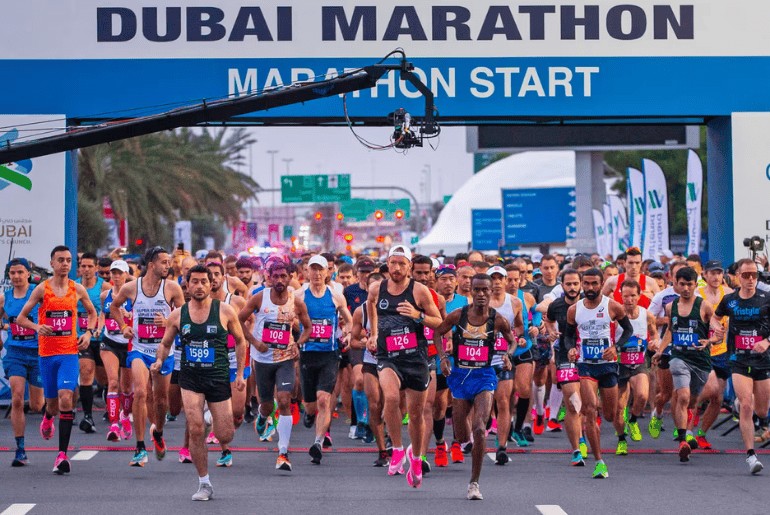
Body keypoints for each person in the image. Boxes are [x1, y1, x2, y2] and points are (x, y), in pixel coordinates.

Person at [152, 264, 247, 501]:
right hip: (191, 378)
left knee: (225, 435)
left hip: (218, 377)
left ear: (211, 283)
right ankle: (204, 483)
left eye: (204, 281)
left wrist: (239, 374)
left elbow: (240, 341)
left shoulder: (225, 311)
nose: (200, 286)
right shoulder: (178, 315)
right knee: (194, 429)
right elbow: (165, 344)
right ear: (187, 285)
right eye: (194, 281)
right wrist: (158, 360)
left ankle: (209, 419)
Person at [433, 273, 518, 500]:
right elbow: (437, 333)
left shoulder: (498, 319)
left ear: (492, 292)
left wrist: (508, 355)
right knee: (462, 437)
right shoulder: (458, 315)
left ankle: (474, 483)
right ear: (471, 291)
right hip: (460, 376)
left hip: (484, 376)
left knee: (479, 428)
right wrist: (442, 358)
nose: (481, 294)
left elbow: (512, 339)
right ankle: (463, 435)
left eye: (485, 290)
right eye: (477, 290)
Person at [16, 245, 98, 474]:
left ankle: (62, 455)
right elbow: (21, 318)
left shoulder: (77, 289)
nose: (65, 263)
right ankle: (48, 418)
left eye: (68, 260)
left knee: (66, 398)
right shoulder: (42, 290)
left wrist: (88, 333)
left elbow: (92, 314)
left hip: (69, 353)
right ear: (51, 264)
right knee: (50, 405)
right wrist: (37, 326)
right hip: (47, 355)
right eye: (60, 260)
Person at [367, 245, 442, 488]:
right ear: (387, 264)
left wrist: (418, 316)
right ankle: (398, 449)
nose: (397, 268)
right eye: (393, 263)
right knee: (389, 398)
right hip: (388, 356)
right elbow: (371, 304)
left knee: (417, 413)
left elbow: (439, 323)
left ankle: (417, 457)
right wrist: (373, 333)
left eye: (402, 263)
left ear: (409, 266)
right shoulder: (377, 288)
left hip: (416, 358)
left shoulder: (419, 291)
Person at [110, 246, 185, 466]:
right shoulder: (131, 288)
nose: (168, 266)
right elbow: (114, 307)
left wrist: (169, 321)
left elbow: (185, 316)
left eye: (168, 262)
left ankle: (158, 432)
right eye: (164, 262)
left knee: (161, 401)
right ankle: (139, 447)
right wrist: (124, 326)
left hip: (163, 350)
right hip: (139, 349)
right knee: (140, 391)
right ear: (151, 265)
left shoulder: (172, 288)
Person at [240, 260, 311, 471]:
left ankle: (283, 452)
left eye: (283, 276)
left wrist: (298, 344)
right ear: (268, 277)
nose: (279, 280)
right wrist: (254, 342)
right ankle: (262, 418)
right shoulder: (259, 298)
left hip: (285, 357)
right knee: (267, 406)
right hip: (262, 359)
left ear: (291, 277)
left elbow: (308, 328)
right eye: (275, 276)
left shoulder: (296, 302)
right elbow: (238, 320)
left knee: (284, 400)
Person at [563, 268, 634, 478]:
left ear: (601, 284)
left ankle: (611, 428)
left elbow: (628, 330)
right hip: (586, 365)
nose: (590, 288)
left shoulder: (612, 306)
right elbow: (568, 336)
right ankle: (599, 461)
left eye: (594, 284)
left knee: (611, 415)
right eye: (586, 284)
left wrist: (617, 347)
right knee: (591, 410)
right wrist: (571, 349)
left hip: (608, 366)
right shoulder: (574, 310)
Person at [711, 258, 770, 474]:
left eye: (755, 274)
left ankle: (740, 402)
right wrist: (718, 329)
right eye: (746, 275)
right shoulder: (730, 300)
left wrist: (767, 341)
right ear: (738, 276)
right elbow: (715, 318)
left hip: (762, 359)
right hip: (738, 358)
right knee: (747, 405)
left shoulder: (766, 298)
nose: (751, 279)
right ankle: (751, 456)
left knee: (762, 410)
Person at [654, 266, 715, 462]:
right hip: (679, 357)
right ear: (676, 285)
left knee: (692, 401)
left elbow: (718, 331)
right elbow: (670, 331)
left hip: (701, 360)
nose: (686, 288)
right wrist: (661, 350)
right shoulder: (671, 307)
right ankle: (682, 440)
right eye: (682, 284)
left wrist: (710, 341)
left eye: (690, 284)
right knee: (682, 397)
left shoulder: (704, 306)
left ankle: (687, 435)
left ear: (695, 284)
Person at [297, 255, 353, 464]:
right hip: (307, 353)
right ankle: (310, 416)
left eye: (321, 270)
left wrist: (346, 334)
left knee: (324, 399)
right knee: (311, 405)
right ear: (307, 272)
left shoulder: (336, 296)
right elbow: (291, 318)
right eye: (313, 269)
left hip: (329, 354)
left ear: (328, 272)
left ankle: (318, 442)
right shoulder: (299, 295)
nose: (317, 274)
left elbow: (348, 321)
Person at [206, 261, 252, 466]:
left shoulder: (236, 301)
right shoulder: (199, 303)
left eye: (217, 274)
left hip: (235, 360)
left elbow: (249, 322)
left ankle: (225, 424)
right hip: (212, 362)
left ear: (224, 278)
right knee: (220, 409)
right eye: (210, 275)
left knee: (237, 412)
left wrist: (247, 338)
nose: (213, 278)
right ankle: (225, 450)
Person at [0, 258, 45, 466]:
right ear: (8, 276)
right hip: (15, 353)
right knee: (17, 398)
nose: (16, 276)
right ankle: (20, 449)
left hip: (38, 353)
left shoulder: (38, 294)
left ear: (29, 273)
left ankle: (48, 418)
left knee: (37, 405)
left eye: (20, 272)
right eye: (12, 273)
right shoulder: (4, 298)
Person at [544, 269, 585, 466]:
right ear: (562, 286)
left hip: (587, 356)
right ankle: (576, 449)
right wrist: (552, 333)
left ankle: (583, 433)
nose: (572, 287)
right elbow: (549, 321)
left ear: (581, 285)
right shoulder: (556, 305)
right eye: (568, 284)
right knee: (572, 401)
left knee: (586, 403)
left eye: (575, 284)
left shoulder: (589, 303)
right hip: (564, 356)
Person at [613, 280, 658, 455]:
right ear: (620, 296)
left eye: (633, 295)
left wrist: (655, 343)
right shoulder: (615, 315)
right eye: (626, 296)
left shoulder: (646, 315)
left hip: (639, 361)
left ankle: (633, 420)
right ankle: (621, 439)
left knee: (642, 395)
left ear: (639, 296)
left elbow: (654, 334)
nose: (629, 299)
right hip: (619, 363)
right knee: (618, 407)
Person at [486, 265, 525, 463]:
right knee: (481, 403)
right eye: (493, 278)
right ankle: (473, 436)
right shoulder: (478, 303)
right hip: (481, 358)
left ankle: (501, 446)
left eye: (501, 278)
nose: (498, 282)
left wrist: (520, 338)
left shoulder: (515, 302)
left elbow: (518, 326)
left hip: (503, 358)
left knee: (503, 401)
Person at [411, 254, 447, 473]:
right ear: (410, 272)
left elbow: (443, 326)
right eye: (419, 273)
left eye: (427, 272)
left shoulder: (437, 298)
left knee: (428, 406)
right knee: (405, 407)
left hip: (430, 356)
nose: (423, 277)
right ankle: (397, 447)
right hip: (403, 357)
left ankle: (421, 456)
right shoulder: (399, 295)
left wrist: (447, 344)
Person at [693, 260, 733, 449]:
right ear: (704, 275)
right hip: (704, 351)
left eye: (719, 273)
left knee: (718, 399)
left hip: (723, 351)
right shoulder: (697, 296)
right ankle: (686, 423)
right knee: (710, 390)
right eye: (712, 273)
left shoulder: (730, 294)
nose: (716, 276)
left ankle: (701, 434)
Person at [350, 273, 389, 466]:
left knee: (391, 403)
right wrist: (365, 343)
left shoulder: (393, 307)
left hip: (392, 363)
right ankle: (382, 450)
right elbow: (352, 342)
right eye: (372, 288)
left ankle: (390, 433)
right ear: (367, 288)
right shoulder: (361, 311)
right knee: (374, 405)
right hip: (371, 363)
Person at [647, 260, 687, 438]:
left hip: (687, 348)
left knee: (682, 394)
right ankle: (657, 413)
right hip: (667, 348)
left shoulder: (696, 297)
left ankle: (682, 432)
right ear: (670, 276)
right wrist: (664, 321)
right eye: (677, 275)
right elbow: (648, 319)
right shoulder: (663, 296)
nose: (681, 280)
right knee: (666, 393)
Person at [433, 264, 468, 466]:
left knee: (459, 402)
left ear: (456, 281)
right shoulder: (430, 300)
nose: (448, 283)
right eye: (443, 279)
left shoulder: (465, 302)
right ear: (436, 281)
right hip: (438, 356)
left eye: (451, 279)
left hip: (461, 358)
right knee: (439, 405)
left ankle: (456, 443)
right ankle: (439, 444)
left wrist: (457, 339)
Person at [99, 260, 134, 442]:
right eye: (114, 272)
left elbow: (142, 317)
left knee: (127, 388)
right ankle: (113, 425)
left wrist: (129, 316)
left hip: (128, 345)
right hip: (110, 342)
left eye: (120, 273)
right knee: (113, 383)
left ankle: (125, 416)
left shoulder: (134, 295)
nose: (116, 276)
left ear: (127, 274)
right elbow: (102, 315)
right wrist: (98, 328)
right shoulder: (105, 295)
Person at [76, 252, 110, 433]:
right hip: (82, 338)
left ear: (96, 268)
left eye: (90, 266)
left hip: (103, 338)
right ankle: (88, 417)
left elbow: (114, 308)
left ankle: (107, 400)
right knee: (86, 373)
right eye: (83, 266)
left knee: (104, 379)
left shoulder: (104, 286)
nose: (86, 269)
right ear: (79, 267)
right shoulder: (72, 286)